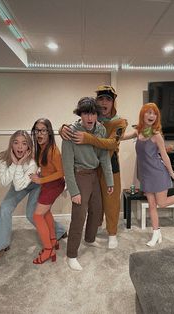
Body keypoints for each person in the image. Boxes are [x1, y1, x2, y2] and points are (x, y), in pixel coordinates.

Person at [122, 102, 174, 246]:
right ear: (142, 114)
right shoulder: (139, 131)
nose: (151, 115)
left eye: (154, 113)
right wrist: (116, 128)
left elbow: (165, 156)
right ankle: (156, 233)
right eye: (148, 112)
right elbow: (121, 137)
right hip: (145, 175)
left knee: (161, 203)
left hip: (157, 173)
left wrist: (172, 173)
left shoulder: (156, 135)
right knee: (151, 205)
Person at [60, 85, 127, 249]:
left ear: (113, 103)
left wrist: (88, 138)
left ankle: (112, 233)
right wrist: (63, 128)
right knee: (92, 205)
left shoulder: (119, 122)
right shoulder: (90, 119)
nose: (104, 102)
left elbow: (112, 143)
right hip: (89, 167)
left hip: (109, 164)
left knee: (111, 201)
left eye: (108, 99)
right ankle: (92, 233)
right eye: (101, 99)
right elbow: (76, 125)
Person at [62, 97, 114, 271]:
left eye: (92, 113)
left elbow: (104, 157)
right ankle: (71, 254)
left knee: (97, 210)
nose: (90, 118)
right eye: (86, 113)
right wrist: (73, 190)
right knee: (79, 216)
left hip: (94, 175)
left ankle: (90, 239)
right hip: (79, 176)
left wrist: (109, 180)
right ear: (80, 115)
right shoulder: (70, 132)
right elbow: (67, 165)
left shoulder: (100, 129)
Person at [30, 119, 65, 264]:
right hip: (48, 183)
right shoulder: (41, 147)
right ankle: (53, 241)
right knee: (46, 213)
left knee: (37, 216)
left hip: (54, 184)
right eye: (37, 130)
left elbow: (61, 172)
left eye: (43, 130)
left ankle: (48, 249)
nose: (40, 133)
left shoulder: (52, 150)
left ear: (49, 132)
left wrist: (40, 180)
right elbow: (46, 168)